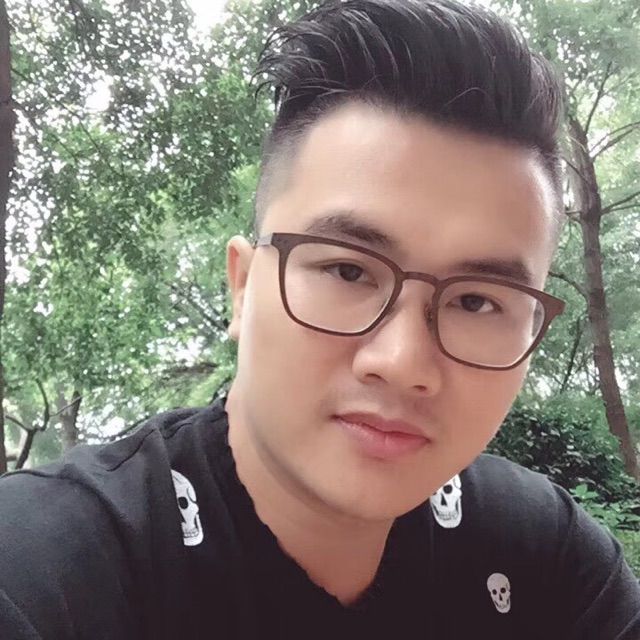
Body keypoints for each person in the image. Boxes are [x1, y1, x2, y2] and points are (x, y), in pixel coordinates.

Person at [1, 0, 639, 638]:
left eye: (477, 301)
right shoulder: (45, 574)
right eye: (348, 271)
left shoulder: (548, 565)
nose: (402, 363)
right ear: (243, 287)